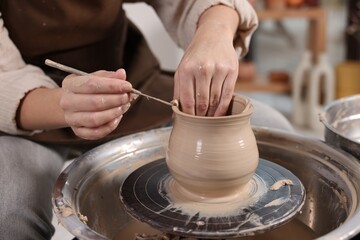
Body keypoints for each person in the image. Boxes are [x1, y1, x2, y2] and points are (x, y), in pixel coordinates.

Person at [0, 1, 293, 239]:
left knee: (279, 137)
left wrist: (215, 31)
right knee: (8, 214)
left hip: (127, 86)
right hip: (27, 106)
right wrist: (61, 104)